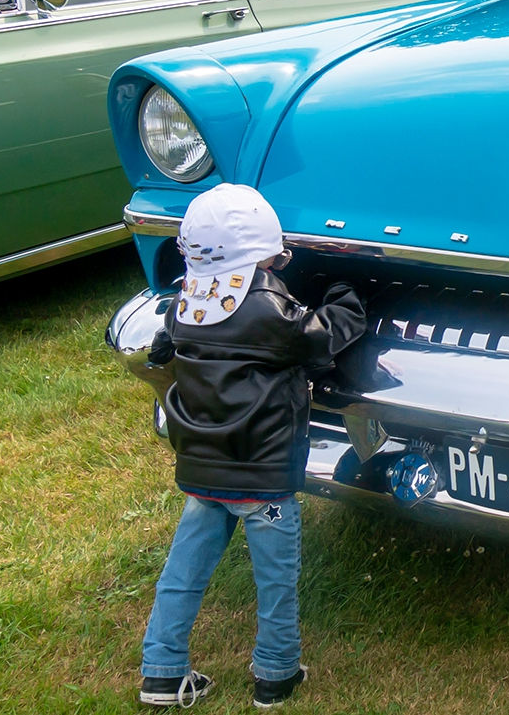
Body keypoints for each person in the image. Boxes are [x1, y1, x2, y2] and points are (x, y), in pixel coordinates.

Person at [138, 183, 366, 708]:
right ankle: (276, 674)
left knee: (183, 574)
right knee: (275, 584)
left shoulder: (182, 306)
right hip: (264, 478)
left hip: (202, 471)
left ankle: (162, 671)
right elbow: (325, 335)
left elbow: (162, 348)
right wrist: (346, 289)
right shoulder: (267, 308)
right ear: (263, 251)